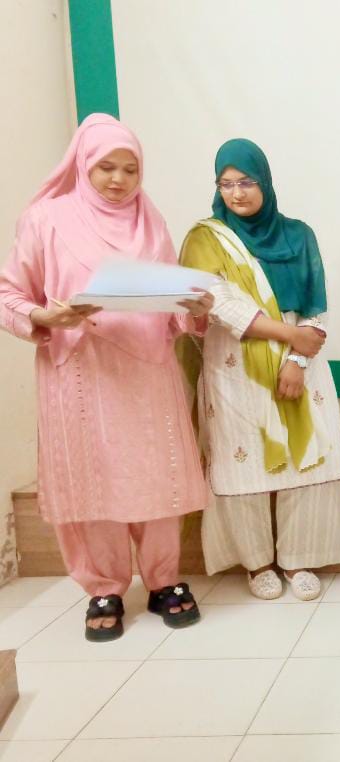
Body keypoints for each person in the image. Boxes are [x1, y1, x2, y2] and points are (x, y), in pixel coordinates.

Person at [0, 114, 211, 641]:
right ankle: (104, 587)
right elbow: (9, 294)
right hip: (82, 372)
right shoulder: (46, 219)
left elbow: (171, 301)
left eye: (130, 169)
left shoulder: (150, 219)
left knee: (157, 474)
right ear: (83, 165)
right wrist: (44, 316)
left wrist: (193, 308)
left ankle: (164, 580)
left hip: (147, 370)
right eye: (106, 168)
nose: (118, 179)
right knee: (93, 479)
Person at [179, 139, 340, 601]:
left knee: (309, 456)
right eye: (226, 184)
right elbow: (221, 305)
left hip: (301, 361)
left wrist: (297, 359)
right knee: (241, 463)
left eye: (247, 182)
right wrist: (290, 335)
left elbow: (315, 307)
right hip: (234, 365)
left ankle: (300, 557)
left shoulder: (299, 235)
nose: (237, 193)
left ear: (265, 183)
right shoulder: (205, 239)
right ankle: (257, 563)